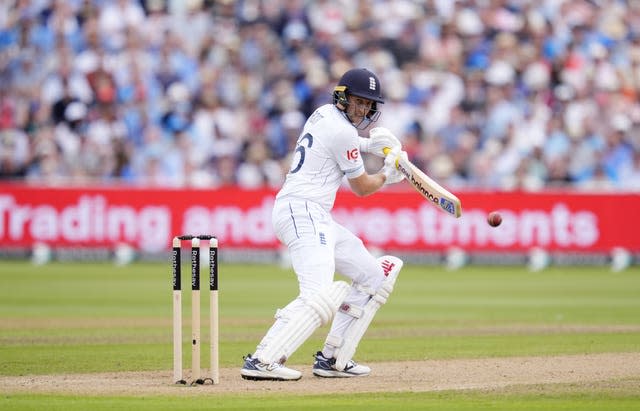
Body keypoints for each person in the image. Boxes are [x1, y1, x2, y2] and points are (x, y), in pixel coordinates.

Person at [240, 68, 407, 381]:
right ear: (342, 97)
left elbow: (343, 141)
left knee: (372, 276)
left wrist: (373, 146)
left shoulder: (322, 114)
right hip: (302, 211)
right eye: (357, 101)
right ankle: (262, 358)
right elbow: (362, 188)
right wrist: (388, 174)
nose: (361, 109)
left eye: (367, 104)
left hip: (312, 213)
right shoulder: (342, 131)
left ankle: (332, 358)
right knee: (318, 293)